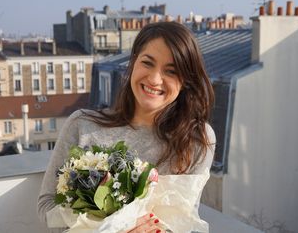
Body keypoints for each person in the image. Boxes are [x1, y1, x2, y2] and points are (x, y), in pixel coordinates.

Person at [37, 21, 216, 233]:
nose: (155, 79)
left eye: (171, 71)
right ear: (133, 63)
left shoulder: (196, 139)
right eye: (147, 63)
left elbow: (187, 224)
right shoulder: (82, 125)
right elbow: (47, 206)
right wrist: (103, 227)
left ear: (185, 81)